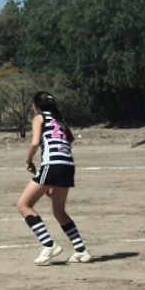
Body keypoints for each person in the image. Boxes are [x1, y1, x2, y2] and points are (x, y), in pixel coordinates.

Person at [16, 91, 92, 266]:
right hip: (67, 166)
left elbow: (35, 142)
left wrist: (28, 160)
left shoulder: (39, 118)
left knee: (23, 205)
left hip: (53, 165)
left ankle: (48, 245)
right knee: (59, 211)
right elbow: (65, 143)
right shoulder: (60, 121)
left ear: (36, 106)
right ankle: (81, 250)